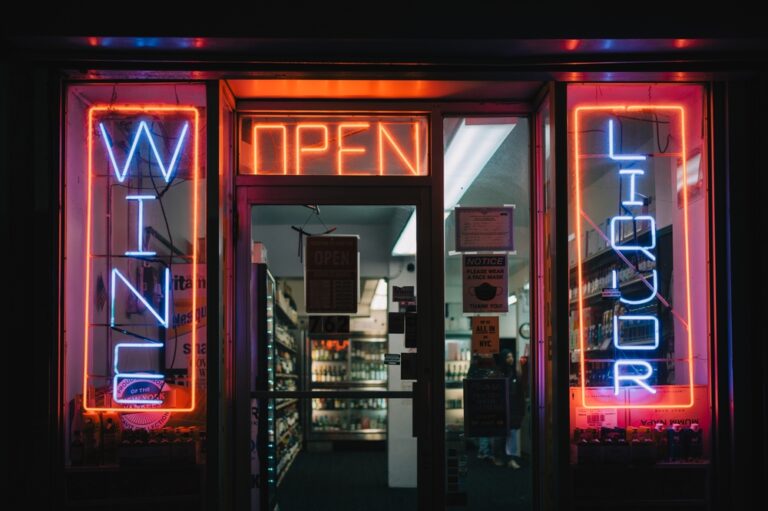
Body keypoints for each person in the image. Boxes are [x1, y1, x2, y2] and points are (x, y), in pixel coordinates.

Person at [492, 349, 527, 469]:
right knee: (500, 434)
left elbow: (519, 391)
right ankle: (499, 457)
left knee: (512, 433)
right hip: (501, 407)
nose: (510, 359)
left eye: (511, 356)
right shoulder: (498, 373)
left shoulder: (515, 372)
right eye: (507, 357)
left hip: (513, 407)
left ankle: (511, 459)